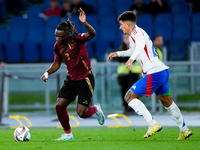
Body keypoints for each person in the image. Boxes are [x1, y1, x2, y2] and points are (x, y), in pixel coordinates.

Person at [107, 11, 192, 140]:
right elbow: (133, 50)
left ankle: (152, 124)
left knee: (129, 97)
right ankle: (184, 129)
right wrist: (118, 54)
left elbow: (140, 46)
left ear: (128, 23)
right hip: (162, 71)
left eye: (121, 24)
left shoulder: (137, 33)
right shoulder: (135, 34)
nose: (120, 27)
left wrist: (131, 60)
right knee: (167, 102)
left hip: (154, 73)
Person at [42, 8, 105, 141]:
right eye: (56, 36)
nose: (58, 39)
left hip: (85, 79)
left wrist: (85, 23)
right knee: (59, 105)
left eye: (60, 36)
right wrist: (47, 72)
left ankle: (96, 109)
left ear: (67, 35)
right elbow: (57, 63)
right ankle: (68, 134)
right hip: (71, 79)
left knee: (82, 113)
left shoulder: (78, 39)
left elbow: (92, 33)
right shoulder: (57, 46)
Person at [117, 34, 141, 114]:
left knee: (133, 91)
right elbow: (120, 59)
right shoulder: (121, 49)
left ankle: (133, 108)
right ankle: (125, 107)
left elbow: (135, 59)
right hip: (123, 74)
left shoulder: (136, 49)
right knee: (124, 91)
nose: (127, 40)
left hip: (134, 73)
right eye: (125, 38)